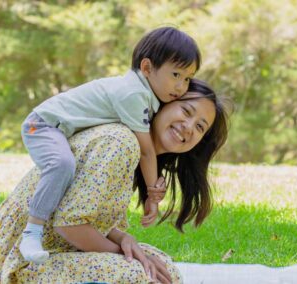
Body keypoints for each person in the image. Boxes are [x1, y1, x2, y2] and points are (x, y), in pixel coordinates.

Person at [0, 79, 231, 283]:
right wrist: (122, 254)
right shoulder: (120, 143)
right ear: (162, 104)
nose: (188, 126)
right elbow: (69, 226)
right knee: (136, 273)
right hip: (15, 265)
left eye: (200, 126)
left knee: (165, 271)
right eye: (186, 111)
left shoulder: (137, 155)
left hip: (57, 251)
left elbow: (85, 214)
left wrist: (124, 238)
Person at [19, 26, 201, 264]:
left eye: (187, 78)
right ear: (146, 68)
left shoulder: (146, 96)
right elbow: (146, 151)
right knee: (62, 164)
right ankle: (32, 232)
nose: (181, 86)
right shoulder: (133, 94)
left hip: (58, 130)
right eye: (175, 75)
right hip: (42, 125)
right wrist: (153, 197)